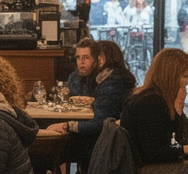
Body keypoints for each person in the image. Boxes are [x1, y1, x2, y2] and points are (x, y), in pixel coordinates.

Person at [121, 48, 188, 174]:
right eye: (185, 76)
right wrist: (185, 150)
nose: (187, 82)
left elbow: (183, 135)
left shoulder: (153, 96)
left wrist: (178, 110)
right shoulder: (151, 102)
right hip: (139, 172)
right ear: (171, 76)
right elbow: (153, 153)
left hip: (139, 166)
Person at [50, 39, 135, 167]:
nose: (83, 62)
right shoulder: (111, 79)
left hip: (106, 141)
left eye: (92, 56)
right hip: (109, 137)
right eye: (78, 58)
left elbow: (100, 124)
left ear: (102, 57)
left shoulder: (111, 82)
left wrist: (66, 126)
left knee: (58, 145)